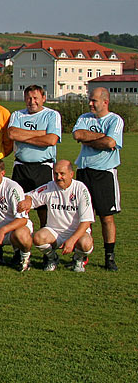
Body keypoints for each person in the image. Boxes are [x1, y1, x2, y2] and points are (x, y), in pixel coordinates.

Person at [72, 87, 122, 271]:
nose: (90, 104)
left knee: (106, 218)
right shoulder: (84, 118)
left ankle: (109, 257)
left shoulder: (115, 120)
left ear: (105, 102)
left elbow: (111, 143)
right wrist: (101, 138)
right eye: (90, 100)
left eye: (94, 101)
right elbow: (77, 135)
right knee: (82, 217)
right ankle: (81, 254)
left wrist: (89, 140)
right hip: (84, 172)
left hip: (104, 173)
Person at [17, 160, 95, 273]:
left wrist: (72, 240)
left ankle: (78, 259)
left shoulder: (80, 189)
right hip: (55, 231)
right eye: (55, 174)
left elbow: (86, 222)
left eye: (62, 174)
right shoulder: (50, 187)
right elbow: (30, 195)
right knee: (38, 237)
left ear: (71, 174)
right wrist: (28, 200)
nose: (58, 177)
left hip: (76, 232)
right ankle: (52, 258)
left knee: (86, 243)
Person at [7, 85, 61, 228]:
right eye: (29, 98)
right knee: (19, 206)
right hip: (21, 167)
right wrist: (41, 133)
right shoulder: (17, 115)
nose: (32, 101)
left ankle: (46, 242)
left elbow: (51, 140)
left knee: (43, 208)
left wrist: (23, 136)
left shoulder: (52, 115)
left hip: (43, 167)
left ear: (43, 98)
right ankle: (21, 246)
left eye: (36, 98)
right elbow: (12, 134)